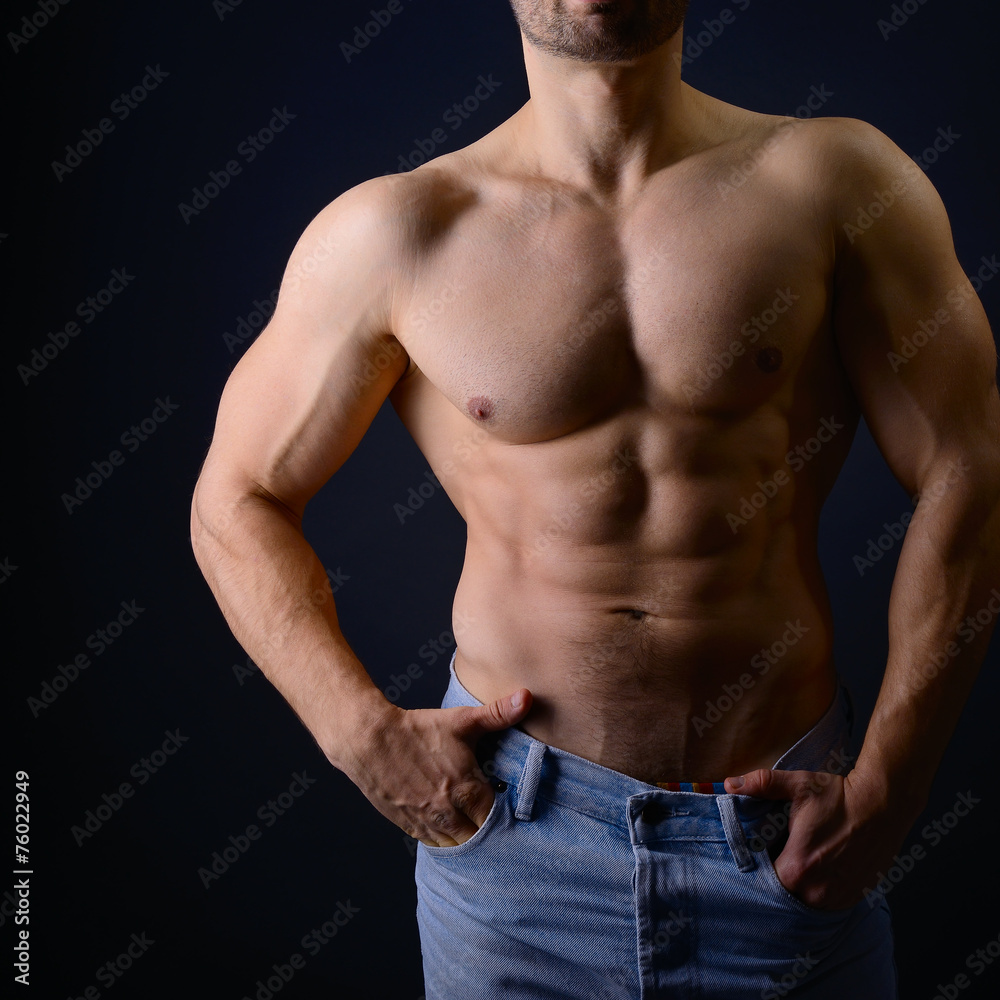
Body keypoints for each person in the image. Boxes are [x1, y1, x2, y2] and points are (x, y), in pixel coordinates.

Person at [189, 0, 1000, 995]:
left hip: (787, 839)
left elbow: (973, 467)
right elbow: (238, 494)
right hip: (513, 846)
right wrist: (356, 731)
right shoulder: (399, 232)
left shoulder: (833, 183)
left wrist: (894, 782)